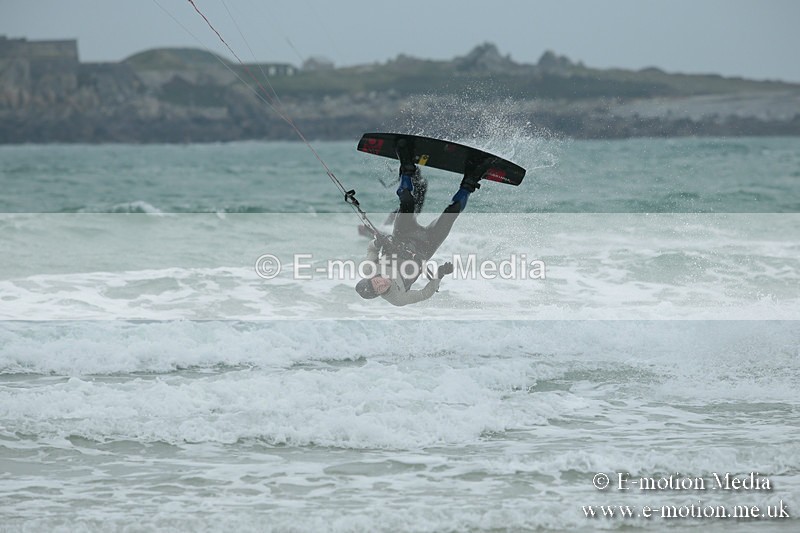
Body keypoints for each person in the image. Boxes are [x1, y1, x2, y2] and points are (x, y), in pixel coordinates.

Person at [354, 139, 483, 306]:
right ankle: (472, 177)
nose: (381, 284)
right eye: (379, 290)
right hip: (426, 246)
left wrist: (378, 242)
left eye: (375, 283)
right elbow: (426, 293)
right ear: (380, 294)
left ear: (372, 277)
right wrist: (440, 274)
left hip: (402, 235)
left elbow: (372, 247)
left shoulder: (368, 268)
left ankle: (406, 160)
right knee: (451, 213)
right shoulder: (397, 298)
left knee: (407, 201)